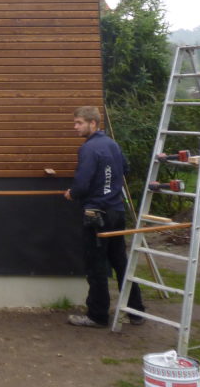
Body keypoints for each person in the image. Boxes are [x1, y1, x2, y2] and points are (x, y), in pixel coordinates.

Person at [64, 106, 146, 327]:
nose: (75, 127)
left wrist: (73, 193)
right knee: (120, 261)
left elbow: (81, 184)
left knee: (96, 265)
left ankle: (97, 316)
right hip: (116, 211)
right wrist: (109, 187)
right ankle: (136, 311)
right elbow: (125, 169)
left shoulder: (89, 149)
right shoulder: (112, 145)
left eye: (79, 123)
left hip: (96, 214)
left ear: (93, 123)